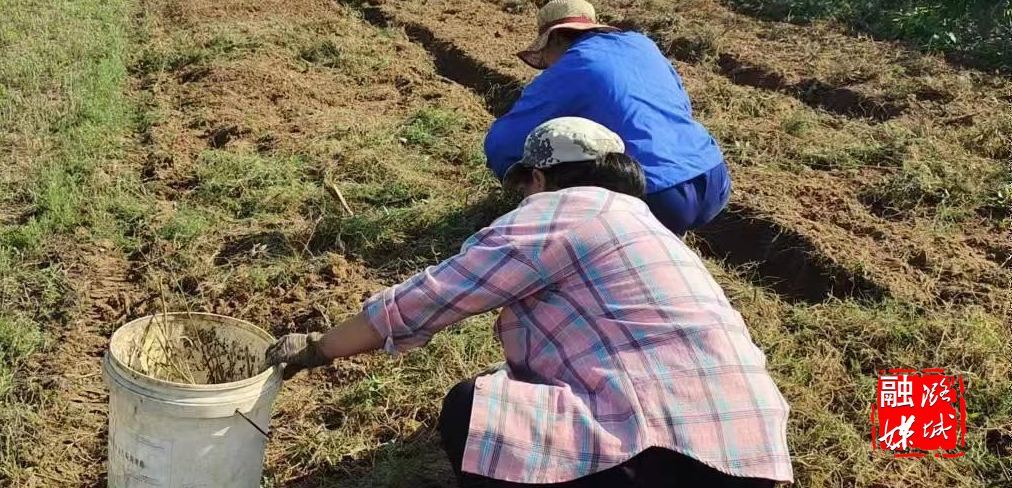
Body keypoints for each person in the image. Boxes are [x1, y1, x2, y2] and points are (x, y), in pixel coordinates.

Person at [266, 117, 793, 488]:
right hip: (750, 451)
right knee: (513, 383)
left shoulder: (563, 210)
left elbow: (430, 298)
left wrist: (319, 347)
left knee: (471, 408)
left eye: (525, 188)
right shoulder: (647, 226)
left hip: (663, 454)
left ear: (540, 178)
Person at [484, 0, 729, 235]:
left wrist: (520, 184)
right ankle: (669, 236)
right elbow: (681, 104)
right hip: (712, 176)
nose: (547, 65)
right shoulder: (641, 44)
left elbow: (503, 142)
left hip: (655, 192)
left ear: (555, 38)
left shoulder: (573, 65)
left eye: (545, 53)